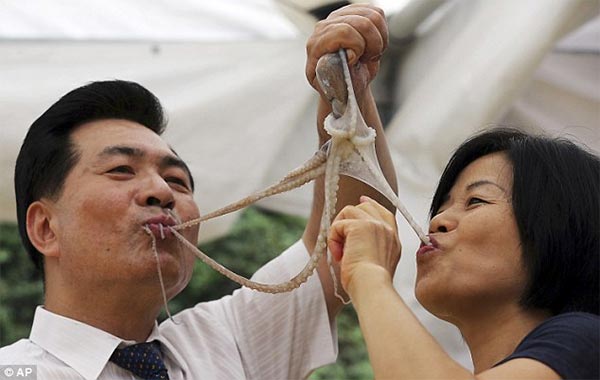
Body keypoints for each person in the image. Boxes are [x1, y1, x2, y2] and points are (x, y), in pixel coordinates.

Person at [0, 4, 397, 379]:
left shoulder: (230, 339)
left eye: (177, 180)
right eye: (121, 170)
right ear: (45, 228)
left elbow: (347, 236)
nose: (161, 191)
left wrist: (346, 93)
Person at [329, 128, 600, 379]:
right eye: (442, 206)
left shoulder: (589, 340)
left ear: (555, 230)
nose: (438, 221)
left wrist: (369, 274)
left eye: (476, 201)